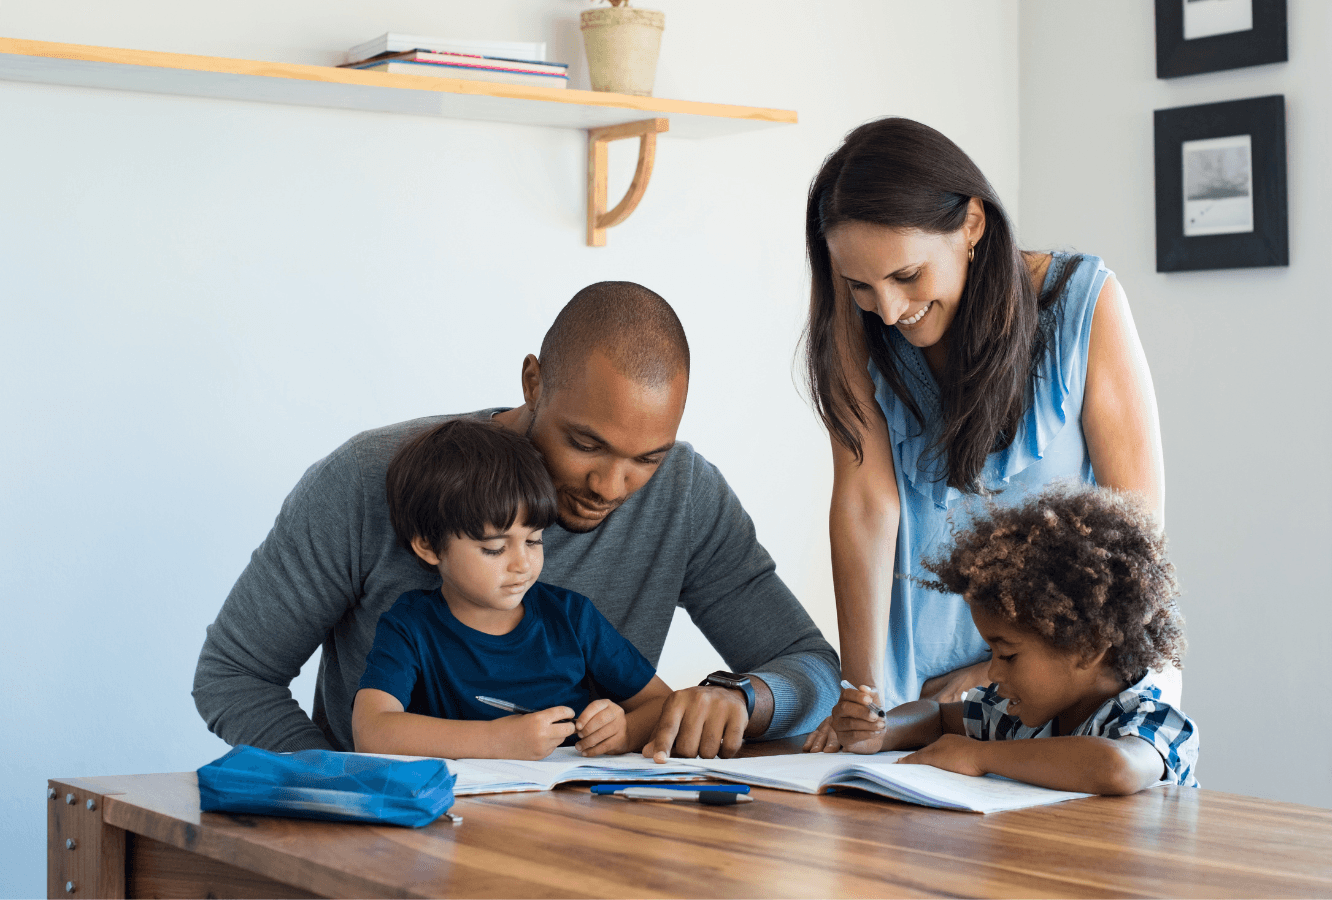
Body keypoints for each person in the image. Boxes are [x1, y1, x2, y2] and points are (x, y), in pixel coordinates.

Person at [194, 281, 838, 759]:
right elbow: (233, 675)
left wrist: (745, 698)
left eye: (647, 457)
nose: (611, 487)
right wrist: (347, 791)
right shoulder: (368, 479)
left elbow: (810, 667)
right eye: (586, 444)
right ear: (534, 382)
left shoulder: (685, 494)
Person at [799, 118, 1169, 751]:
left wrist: (994, 674)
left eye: (907, 276)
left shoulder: (1085, 303)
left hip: (1065, 695)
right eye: (860, 285)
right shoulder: (856, 329)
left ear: (972, 224)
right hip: (913, 701)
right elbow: (866, 505)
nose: (888, 310)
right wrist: (861, 695)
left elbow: (1134, 537)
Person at [832, 484, 1198, 794]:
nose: (991, 674)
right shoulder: (1018, 715)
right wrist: (881, 731)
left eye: (1007, 655)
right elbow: (937, 718)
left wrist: (979, 756)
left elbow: (1115, 767)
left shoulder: (1151, 718)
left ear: (1088, 647)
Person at [352, 419, 671, 760]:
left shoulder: (571, 617)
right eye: (494, 548)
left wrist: (625, 732)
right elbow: (372, 731)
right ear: (429, 546)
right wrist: (495, 741)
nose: (522, 564)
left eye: (534, 540)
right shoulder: (410, 626)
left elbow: (664, 704)